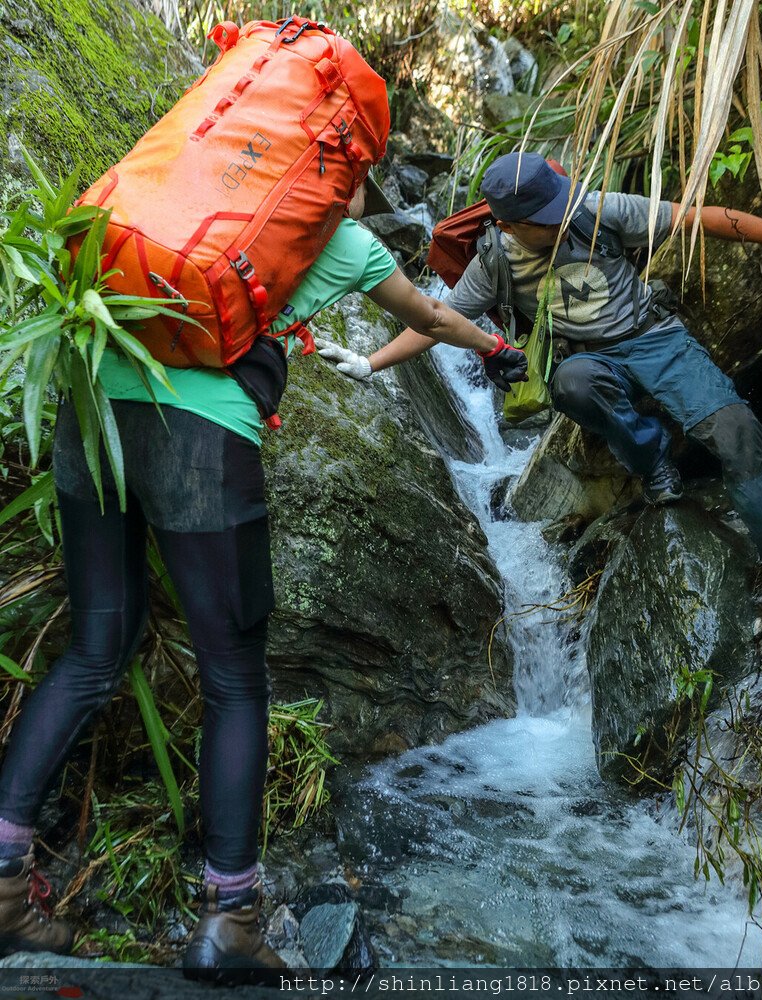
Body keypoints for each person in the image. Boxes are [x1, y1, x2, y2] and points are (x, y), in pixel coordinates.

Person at [0, 178, 527, 978]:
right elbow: (429, 314)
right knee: (234, 678)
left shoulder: (186, 200)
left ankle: (3, 883)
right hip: (203, 438)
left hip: (90, 410)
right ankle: (230, 920)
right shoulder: (338, 241)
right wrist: (496, 348)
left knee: (95, 650)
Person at [321, 152, 762, 581]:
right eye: (545, 219)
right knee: (570, 384)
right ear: (507, 226)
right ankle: (652, 462)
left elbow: (698, 219)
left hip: (655, 339)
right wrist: (370, 361)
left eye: (560, 208)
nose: (560, 221)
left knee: (739, 430)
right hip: (589, 361)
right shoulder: (493, 262)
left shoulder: (595, 209)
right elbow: (432, 320)